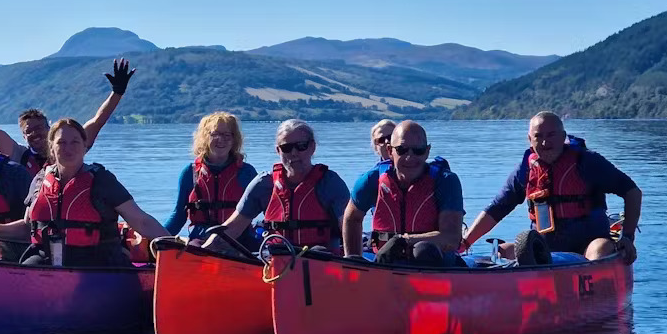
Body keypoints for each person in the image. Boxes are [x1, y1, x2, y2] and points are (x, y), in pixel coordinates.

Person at [0, 117, 166, 268]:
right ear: (52, 148)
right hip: (45, 259)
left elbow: (141, 220)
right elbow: (27, 227)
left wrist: (172, 243)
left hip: (97, 262)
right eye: (61, 142)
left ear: (85, 146)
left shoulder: (102, 180)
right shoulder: (40, 180)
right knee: (23, 273)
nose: (68, 148)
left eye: (75, 142)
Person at [462, 111, 641, 263]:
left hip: (590, 243)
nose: (545, 143)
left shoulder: (587, 162)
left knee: (600, 250)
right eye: (538, 136)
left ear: (563, 137)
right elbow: (497, 208)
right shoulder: (525, 170)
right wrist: (465, 242)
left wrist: (627, 237)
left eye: (551, 135)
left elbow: (632, 191)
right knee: (502, 252)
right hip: (545, 247)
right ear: (530, 140)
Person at [0, 59, 136, 176]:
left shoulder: (68, 146)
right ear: (23, 136)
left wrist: (117, 93)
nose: (34, 134)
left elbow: (97, 122)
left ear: (49, 129)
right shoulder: (18, 155)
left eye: (39, 128)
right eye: (28, 131)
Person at [201, 119, 357, 257]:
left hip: (320, 260)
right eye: (286, 148)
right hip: (276, 260)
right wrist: (203, 252)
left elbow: (349, 227)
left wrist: (353, 260)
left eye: (301, 146)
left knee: (318, 252)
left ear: (312, 147)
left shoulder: (330, 183)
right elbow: (232, 227)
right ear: (278, 151)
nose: (294, 153)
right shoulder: (263, 183)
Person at [344, 120, 465, 265]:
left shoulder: (445, 181)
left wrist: (404, 241)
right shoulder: (371, 179)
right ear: (390, 151)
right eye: (402, 150)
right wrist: (354, 260)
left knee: (423, 250)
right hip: (385, 259)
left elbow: (451, 237)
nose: (410, 157)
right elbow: (352, 218)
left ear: (427, 151)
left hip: (434, 261)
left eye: (418, 150)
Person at [163, 112, 258, 239]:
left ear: (234, 139)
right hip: (201, 239)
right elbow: (178, 216)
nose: (221, 139)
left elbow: (267, 211)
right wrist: (156, 238)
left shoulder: (247, 172)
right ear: (205, 138)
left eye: (227, 135)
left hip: (239, 240)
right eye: (215, 134)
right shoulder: (190, 173)